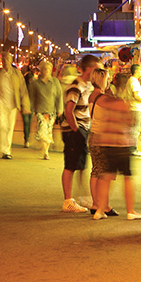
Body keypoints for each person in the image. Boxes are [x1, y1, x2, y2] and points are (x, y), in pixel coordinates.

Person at [88, 67, 141, 221]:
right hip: (120, 143)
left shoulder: (98, 98)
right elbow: (128, 121)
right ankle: (130, 210)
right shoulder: (112, 101)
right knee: (125, 177)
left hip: (105, 140)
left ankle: (99, 208)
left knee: (104, 175)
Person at [60, 54, 100, 213]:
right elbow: (69, 110)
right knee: (70, 165)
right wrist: (76, 130)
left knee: (82, 164)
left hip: (82, 128)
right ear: (89, 69)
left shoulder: (87, 85)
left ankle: (83, 196)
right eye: (96, 69)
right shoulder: (76, 86)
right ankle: (68, 200)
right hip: (74, 129)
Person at [0, 52, 30, 159]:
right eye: (4, 59)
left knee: (10, 127)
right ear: (1, 61)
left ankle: (7, 151)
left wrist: (25, 105)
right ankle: (2, 148)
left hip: (13, 104)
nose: (5, 61)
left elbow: (23, 90)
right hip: (0, 102)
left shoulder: (16, 73)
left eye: (8, 59)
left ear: (11, 61)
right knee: (2, 126)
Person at [29, 60, 64, 160]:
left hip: (51, 110)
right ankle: (45, 151)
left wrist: (60, 109)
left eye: (48, 69)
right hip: (40, 110)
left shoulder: (55, 82)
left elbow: (59, 96)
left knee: (48, 131)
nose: (46, 71)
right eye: (44, 69)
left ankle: (45, 151)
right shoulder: (35, 83)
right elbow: (32, 97)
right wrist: (30, 108)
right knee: (42, 130)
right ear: (41, 70)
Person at [124, 64, 141, 156]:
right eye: (140, 71)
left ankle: (131, 148)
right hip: (135, 108)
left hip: (133, 107)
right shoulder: (133, 81)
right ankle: (133, 149)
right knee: (135, 129)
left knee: (133, 129)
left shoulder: (132, 80)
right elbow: (135, 95)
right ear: (136, 71)